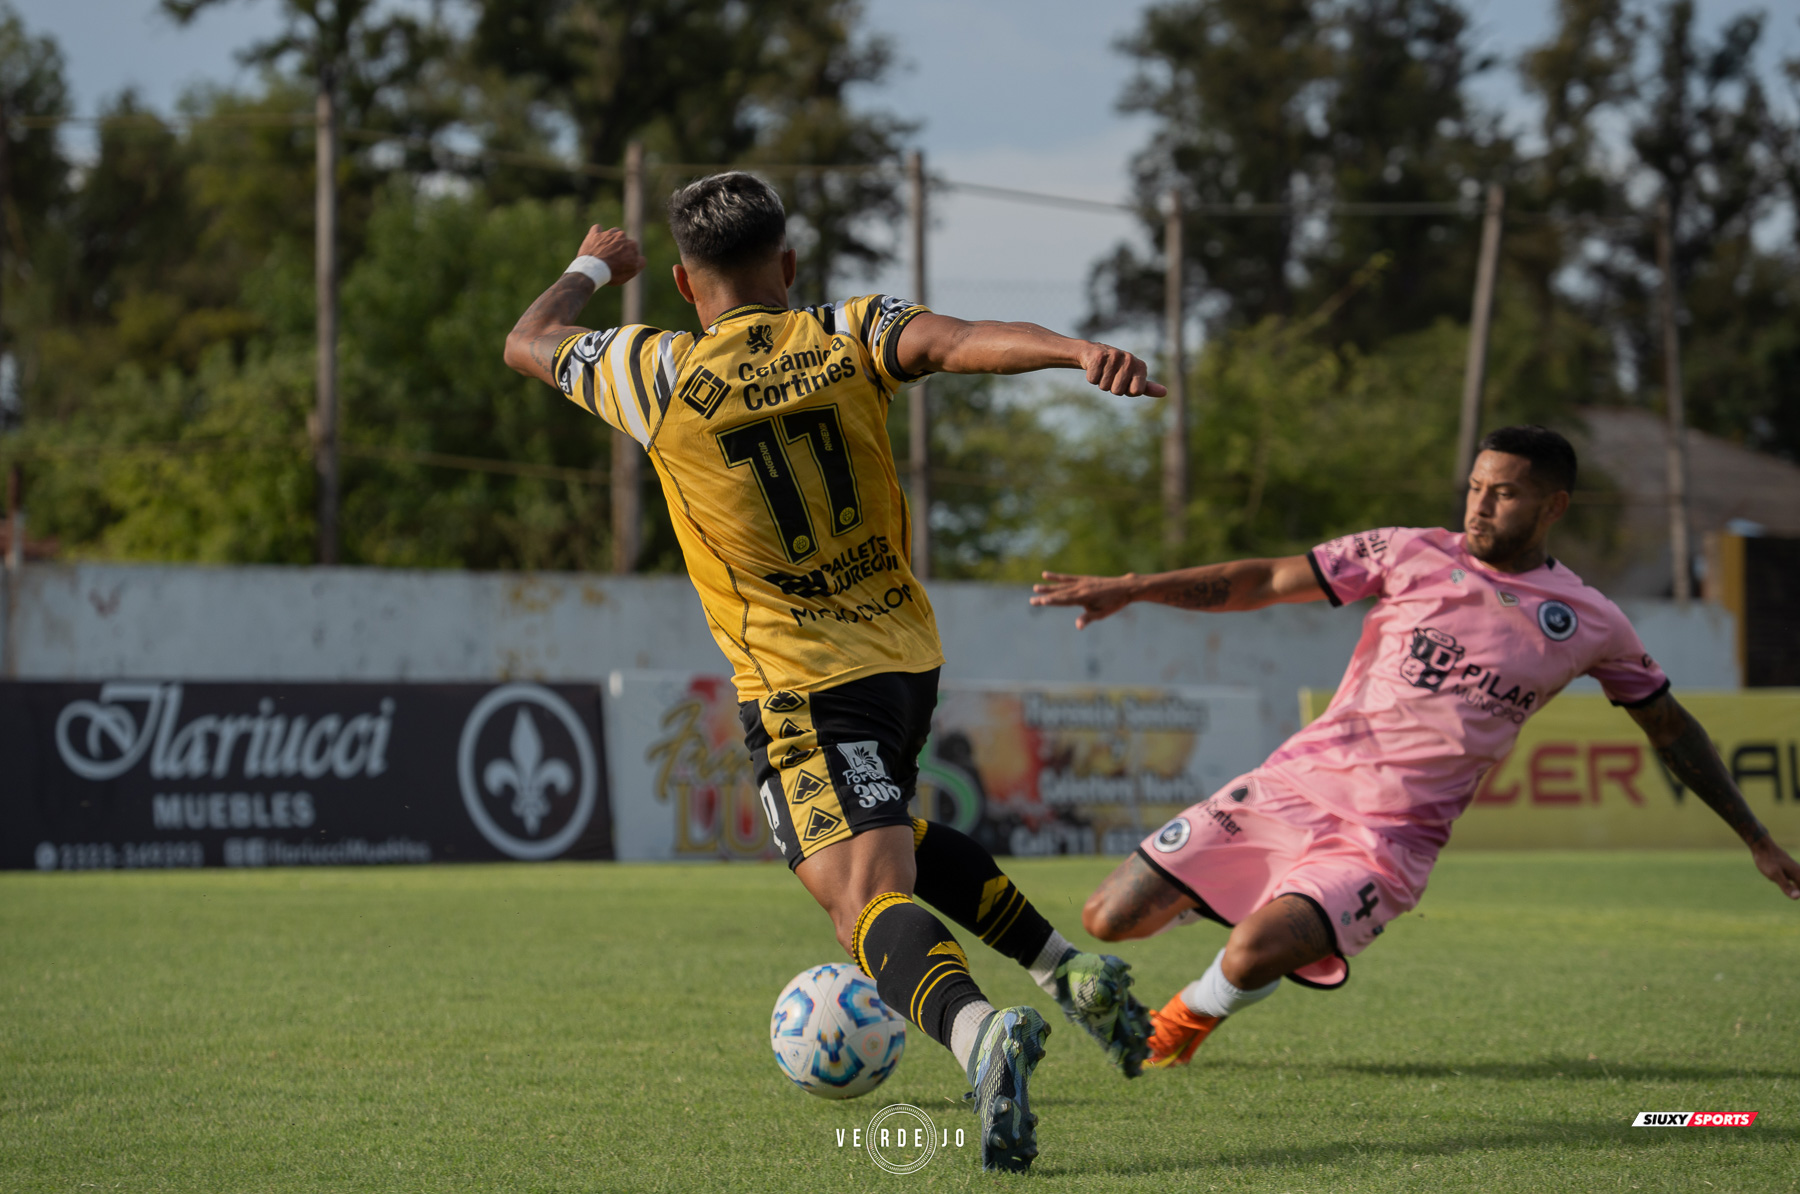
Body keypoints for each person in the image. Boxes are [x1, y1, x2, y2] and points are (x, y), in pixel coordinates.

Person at [503, 172, 1160, 1170]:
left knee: (861, 896)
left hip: (801, 681)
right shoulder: (847, 331)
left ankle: (981, 1040)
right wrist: (1076, 353)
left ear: (685, 283)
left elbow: (526, 341)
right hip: (904, 659)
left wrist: (594, 264)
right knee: (892, 835)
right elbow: (960, 339)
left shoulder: (656, 372)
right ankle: (1070, 976)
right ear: (790, 264)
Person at [1030, 425, 1800, 1068]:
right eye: (1475, 486)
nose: (1480, 504)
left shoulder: (1592, 622)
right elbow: (1265, 578)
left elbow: (1669, 728)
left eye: (1505, 492)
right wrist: (1134, 586)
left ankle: (1181, 1024)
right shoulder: (1406, 551)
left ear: (1553, 505)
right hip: (1288, 791)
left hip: (1387, 843)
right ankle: (1219, 895)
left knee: (1252, 954)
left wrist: (1758, 840)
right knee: (1108, 919)